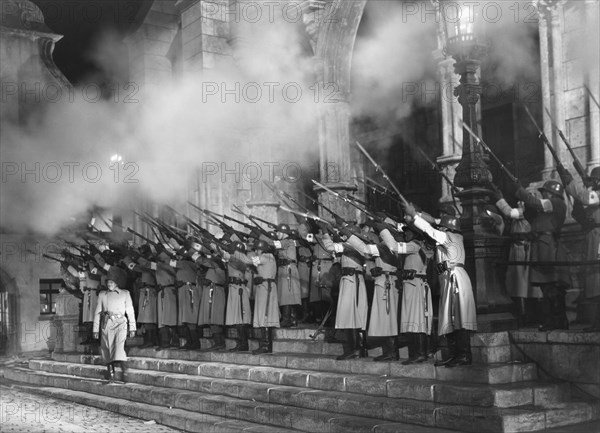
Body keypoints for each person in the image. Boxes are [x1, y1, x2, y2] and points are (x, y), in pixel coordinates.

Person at [406, 205, 477, 367]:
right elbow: (432, 225)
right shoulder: (452, 235)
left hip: (454, 278)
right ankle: (455, 354)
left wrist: (415, 217)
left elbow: (430, 230)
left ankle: (464, 355)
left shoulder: (449, 236)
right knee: (450, 317)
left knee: (458, 316)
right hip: (448, 278)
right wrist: (416, 213)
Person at [515, 180, 568, 331]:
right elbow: (534, 217)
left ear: (551, 193)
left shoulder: (555, 202)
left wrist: (519, 189)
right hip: (542, 245)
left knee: (551, 284)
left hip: (548, 246)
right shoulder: (549, 207)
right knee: (547, 286)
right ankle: (555, 320)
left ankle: (556, 320)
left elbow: (536, 203)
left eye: (544, 192)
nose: (542, 194)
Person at [380, 224, 433, 364]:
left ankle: (421, 353)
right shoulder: (414, 246)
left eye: (409, 231)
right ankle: (417, 353)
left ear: (415, 233)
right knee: (412, 320)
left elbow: (395, 247)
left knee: (416, 320)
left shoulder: (414, 245)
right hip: (411, 285)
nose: (406, 234)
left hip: (416, 285)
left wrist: (383, 230)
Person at [559, 165, 600, 331]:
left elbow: (585, 198)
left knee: (597, 280)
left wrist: (571, 183)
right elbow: (580, 211)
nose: (593, 182)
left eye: (594, 180)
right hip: (594, 239)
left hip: (598, 241)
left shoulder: (596, 195)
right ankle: (597, 323)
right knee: (595, 282)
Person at [321, 223, 369, 360]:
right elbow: (331, 247)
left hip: (352, 280)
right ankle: (359, 348)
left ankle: (355, 349)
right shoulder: (350, 245)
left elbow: (330, 247)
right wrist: (326, 232)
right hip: (350, 280)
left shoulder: (354, 245)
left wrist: (326, 233)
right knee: (352, 315)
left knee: (351, 314)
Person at [92, 266, 136, 382]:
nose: (109, 284)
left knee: (119, 347)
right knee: (106, 348)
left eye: (112, 282)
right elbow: (97, 313)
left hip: (121, 324)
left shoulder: (125, 293)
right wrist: (95, 330)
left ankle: (124, 372)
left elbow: (130, 311)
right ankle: (110, 372)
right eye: (108, 282)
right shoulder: (102, 295)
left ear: (117, 283)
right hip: (107, 324)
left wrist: (132, 327)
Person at [224, 241, 253, 351]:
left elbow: (233, 259)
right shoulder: (233, 258)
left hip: (238, 289)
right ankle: (241, 342)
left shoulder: (238, 258)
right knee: (236, 317)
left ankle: (243, 343)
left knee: (240, 316)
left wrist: (215, 248)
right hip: (233, 288)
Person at [274, 224, 302, 328]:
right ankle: (290, 318)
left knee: (287, 294)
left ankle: (288, 319)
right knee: (285, 294)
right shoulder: (285, 241)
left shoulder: (287, 241)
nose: (277, 234)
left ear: (283, 233)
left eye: (278, 232)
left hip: (288, 269)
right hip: (284, 268)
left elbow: (274, 244)